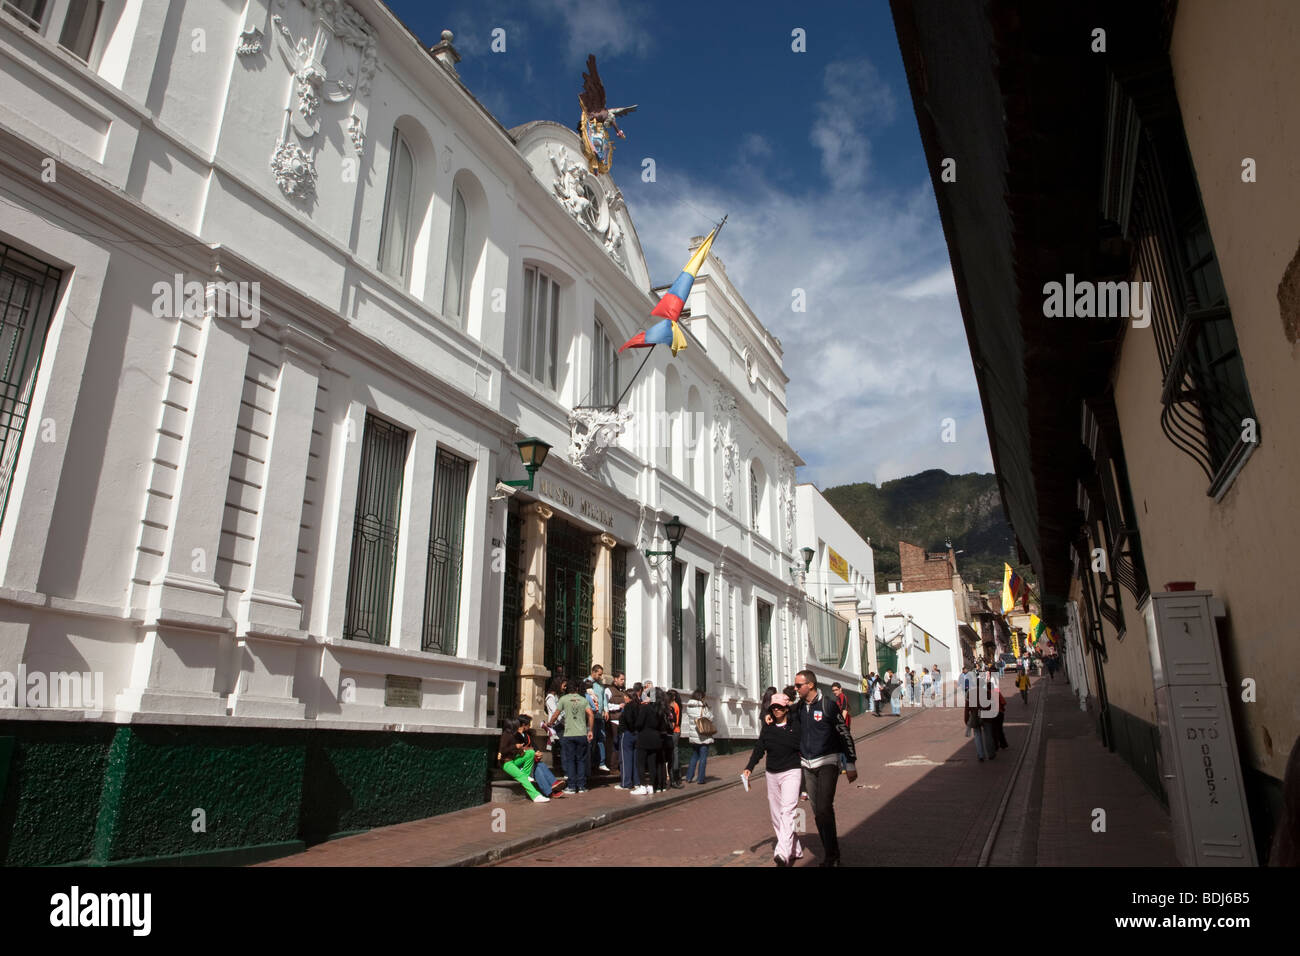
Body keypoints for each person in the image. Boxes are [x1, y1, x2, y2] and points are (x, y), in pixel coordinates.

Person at [793, 671, 856, 866]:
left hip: (828, 761)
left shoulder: (828, 705)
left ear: (810, 685)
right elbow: (784, 720)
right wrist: (770, 717)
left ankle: (832, 856)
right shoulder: (799, 707)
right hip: (807, 765)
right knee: (819, 812)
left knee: (823, 808)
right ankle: (831, 852)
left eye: (799, 685)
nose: (796, 689)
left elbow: (844, 733)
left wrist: (850, 763)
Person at [743, 692, 804, 866]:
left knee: (787, 812)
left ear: (787, 708)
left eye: (780, 707)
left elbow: (801, 705)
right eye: (774, 707)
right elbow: (759, 748)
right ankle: (795, 849)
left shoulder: (796, 725)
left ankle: (782, 853)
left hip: (791, 772)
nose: (776, 710)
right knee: (777, 815)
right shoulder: (768, 727)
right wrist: (749, 767)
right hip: (772, 774)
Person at [548, 679, 593, 794]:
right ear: (577, 689)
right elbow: (591, 714)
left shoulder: (563, 699)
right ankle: (582, 786)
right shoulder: (583, 700)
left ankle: (572, 786)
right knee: (581, 760)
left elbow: (556, 714)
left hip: (569, 734)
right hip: (582, 734)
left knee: (570, 760)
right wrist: (590, 730)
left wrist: (550, 723)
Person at [498, 718, 549, 802]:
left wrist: (520, 750)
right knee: (522, 777)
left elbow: (514, 749)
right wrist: (515, 747)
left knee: (531, 753)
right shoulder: (506, 735)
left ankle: (525, 774)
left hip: (513, 760)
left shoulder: (513, 735)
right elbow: (503, 750)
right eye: (517, 726)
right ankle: (535, 796)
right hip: (506, 763)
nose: (519, 727)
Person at [516, 714, 566, 797]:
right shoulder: (515, 735)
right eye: (528, 724)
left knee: (540, 765)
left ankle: (553, 785)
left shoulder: (527, 735)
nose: (530, 726)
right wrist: (530, 751)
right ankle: (550, 792)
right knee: (537, 769)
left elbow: (534, 747)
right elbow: (517, 750)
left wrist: (538, 752)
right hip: (519, 764)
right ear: (524, 725)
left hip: (529, 761)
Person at [631, 686, 666, 795]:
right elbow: (662, 726)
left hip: (644, 737)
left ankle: (642, 786)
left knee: (640, 762)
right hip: (656, 738)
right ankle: (651, 786)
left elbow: (639, 723)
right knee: (652, 763)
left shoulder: (646, 708)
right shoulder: (660, 710)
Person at [684, 688, 715, 784]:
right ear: (701, 697)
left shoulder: (689, 706)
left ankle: (689, 777)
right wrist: (708, 710)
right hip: (703, 736)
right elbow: (710, 718)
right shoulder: (702, 707)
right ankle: (700, 778)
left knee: (694, 756)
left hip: (694, 736)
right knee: (703, 758)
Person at [964, 673, 995, 762]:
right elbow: (991, 705)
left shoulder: (970, 693)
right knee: (988, 735)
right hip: (986, 716)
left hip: (975, 716)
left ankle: (981, 755)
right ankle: (990, 754)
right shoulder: (987, 693)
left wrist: (966, 719)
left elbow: (967, 708)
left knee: (977, 735)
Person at [617, 683, 642, 790]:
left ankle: (626, 783)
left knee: (625, 759)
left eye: (626, 696)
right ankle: (636, 782)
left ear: (629, 697)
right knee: (635, 759)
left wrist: (631, 729)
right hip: (637, 734)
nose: (624, 698)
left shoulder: (628, 706)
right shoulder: (639, 706)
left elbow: (629, 720)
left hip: (627, 733)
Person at [588, 665, 610, 771]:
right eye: (599, 674)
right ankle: (590, 762)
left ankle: (601, 762)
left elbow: (604, 697)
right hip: (591, 716)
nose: (600, 676)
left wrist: (606, 709)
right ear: (593, 672)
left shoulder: (601, 684)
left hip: (600, 716)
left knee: (601, 739)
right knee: (591, 739)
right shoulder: (587, 682)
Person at [542, 676, 565, 771]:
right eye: (564, 685)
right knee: (562, 747)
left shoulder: (558, 697)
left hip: (561, 724)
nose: (565, 688)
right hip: (556, 726)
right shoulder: (550, 698)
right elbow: (556, 712)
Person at [607, 671, 626, 774]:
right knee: (614, 744)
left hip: (621, 721)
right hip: (613, 721)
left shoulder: (623, 691)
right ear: (615, 679)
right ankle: (613, 767)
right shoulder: (608, 690)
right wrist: (618, 706)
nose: (623, 681)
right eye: (621, 679)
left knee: (620, 744)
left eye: (624, 679)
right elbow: (606, 705)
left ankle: (618, 766)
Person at [831, 682, 851, 772]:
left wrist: (840, 724)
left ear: (840, 689)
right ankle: (843, 767)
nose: (834, 692)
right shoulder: (838, 698)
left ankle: (845, 767)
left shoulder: (843, 697)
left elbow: (845, 711)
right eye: (833, 690)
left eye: (836, 690)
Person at [667, 689, 684, 788]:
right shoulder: (677, 705)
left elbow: (674, 721)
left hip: (674, 731)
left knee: (673, 753)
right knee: (675, 752)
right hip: (677, 731)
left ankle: (675, 775)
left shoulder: (673, 706)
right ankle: (677, 775)